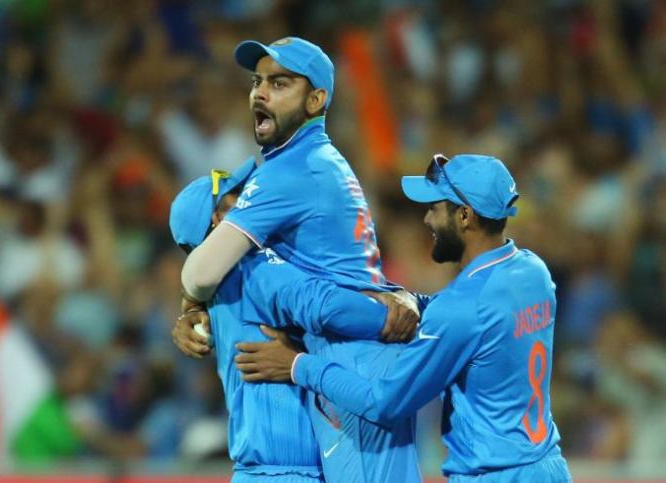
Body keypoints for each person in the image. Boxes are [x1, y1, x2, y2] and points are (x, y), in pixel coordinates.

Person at [236, 154, 574, 482]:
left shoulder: (461, 310)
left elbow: (384, 403)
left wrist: (298, 365)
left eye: (434, 209)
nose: (427, 221)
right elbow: (472, 313)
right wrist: (411, 299)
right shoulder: (534, 273)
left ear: (465, 216)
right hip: (548, 467)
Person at [177, 37, 422, 482]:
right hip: (341, 383)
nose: (260, 92)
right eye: (258, 81)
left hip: (348, 374)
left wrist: (195, 302)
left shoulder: (292, 170)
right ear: (215, 221)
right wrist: (400, 311)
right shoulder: (312, 166)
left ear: (316, 99)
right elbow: (202, 273)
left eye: (279, 82)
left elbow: (200, 274)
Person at [170, 167, 417, 482]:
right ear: (219, 220)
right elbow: (324, 306)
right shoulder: (253, 268)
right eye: (239, 197)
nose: (252, 200)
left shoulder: (228, 283)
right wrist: (397, 320)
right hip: (285, 471)